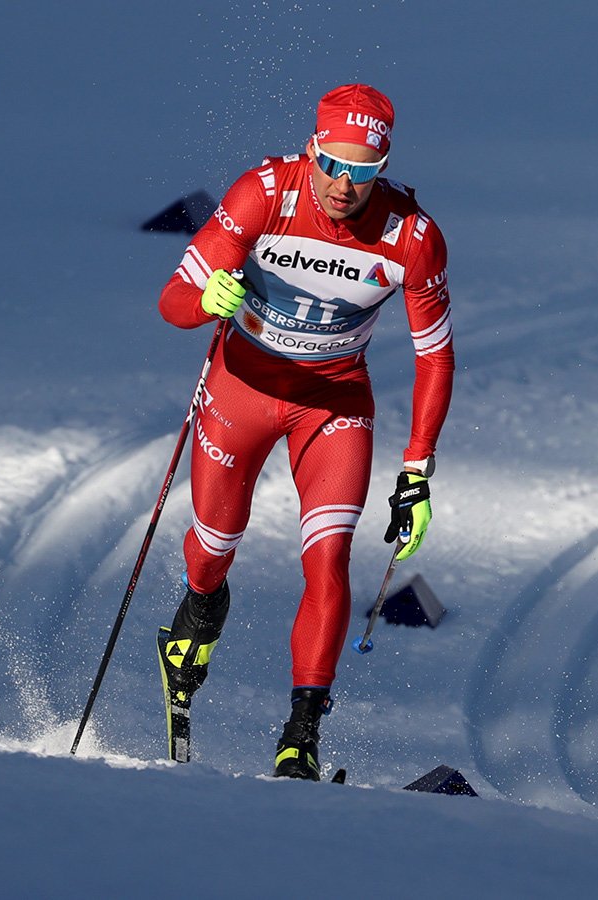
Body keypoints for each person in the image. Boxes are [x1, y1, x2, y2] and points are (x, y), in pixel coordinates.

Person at [155, 84, 455, 780]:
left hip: (334, 401)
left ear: (383, 169)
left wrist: (416, 470)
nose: (343, 185)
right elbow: (171, 300)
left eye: (363, 173)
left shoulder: (411, 236)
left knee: (328, 559)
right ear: (312, 149)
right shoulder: (266, 193)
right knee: (213, 549)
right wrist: (207, 300)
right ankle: (196, 618)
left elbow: (434, 355)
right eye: (332, 166)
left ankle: (302, 735)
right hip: (243, 388)